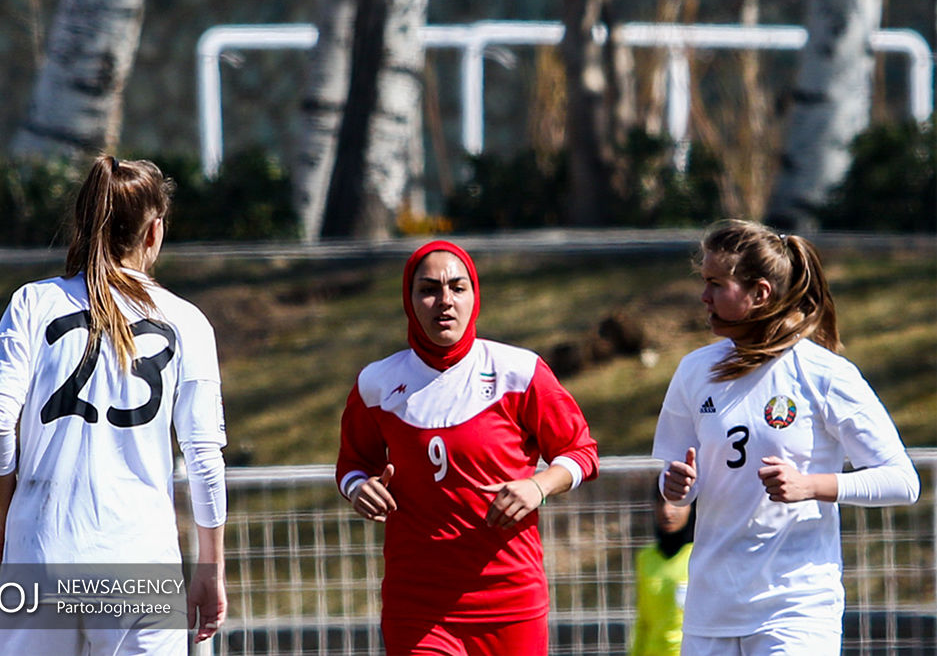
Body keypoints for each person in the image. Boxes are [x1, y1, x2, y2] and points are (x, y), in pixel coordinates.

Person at [0, 155, 228, 655]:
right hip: (140, 558)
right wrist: (210, 568)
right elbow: (205, 460)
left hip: (41, 551)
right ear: (154, 232)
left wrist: (13, 511)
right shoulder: (187, 321)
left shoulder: (33, 302)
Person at [653, 219, 920, 656]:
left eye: (717, 284)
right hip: (710, 610)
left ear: (760, 293)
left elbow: (903, 481)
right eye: (704, 282)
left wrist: (811, 485)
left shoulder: (824, 374)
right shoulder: (694, 370)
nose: (704, 296)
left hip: (795, 610)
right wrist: (677, 486)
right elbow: (682, 482)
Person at [335, 240, 599, 655]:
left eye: (458, 288)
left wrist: (539, 486)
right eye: (429, 289)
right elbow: (352, 464)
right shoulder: (376, 383)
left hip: (510, 601)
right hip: (418, 605)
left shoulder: (519, 371)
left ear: (475, 296)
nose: (445, 301)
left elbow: (581, 452)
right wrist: (358, 488)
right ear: (409, 299)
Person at [628, 479, 694, 656]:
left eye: (676, 504)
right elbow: (644, 622)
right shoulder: (646, 558)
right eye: (661, 502)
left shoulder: (700, 557)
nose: (667, 511)